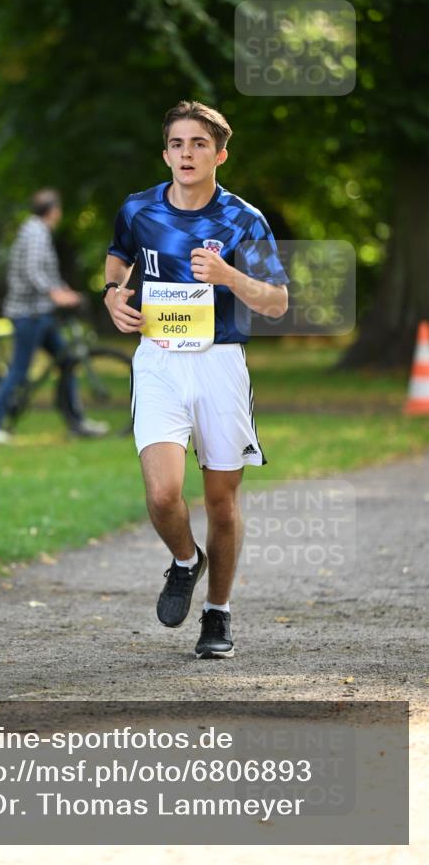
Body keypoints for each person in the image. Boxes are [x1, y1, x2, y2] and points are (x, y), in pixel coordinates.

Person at [102, 101, 289, 657]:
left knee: (221, 503)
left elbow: (277, 302)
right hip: (157, 361)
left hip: (219, 363)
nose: (187, 153)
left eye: (199, 144)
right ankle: (186, 561)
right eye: (178, 144)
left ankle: (218, 613)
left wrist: (231, 275)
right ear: (166, 153)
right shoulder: (138, 210)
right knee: (162, 495)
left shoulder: (244, 219)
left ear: (219, 154)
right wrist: (113, 298)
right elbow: (117, 264)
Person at [0, 188, 108, 443]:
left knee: (67, 362)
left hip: (41, 314)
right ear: (53, 210)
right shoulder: (36, 232)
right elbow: (33, 270)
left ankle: (77, 422)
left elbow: (45, 271)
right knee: (19, 370)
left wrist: (63, 290)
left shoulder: (35, 229)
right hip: (29, 314)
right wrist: (54, 294)